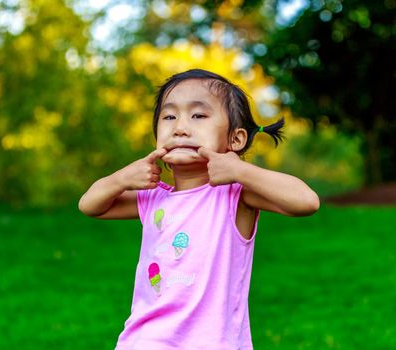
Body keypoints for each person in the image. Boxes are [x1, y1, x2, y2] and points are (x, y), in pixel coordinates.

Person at [79, 69, 320, 349]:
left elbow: (306, 201)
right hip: (144, 340)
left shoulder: (235, 195)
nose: (180, 127)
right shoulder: (153, 198)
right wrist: (120, 178)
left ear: (236, 139)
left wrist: (239, 170)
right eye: (169, 117)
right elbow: (90, 205)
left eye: (198, 116)